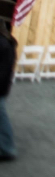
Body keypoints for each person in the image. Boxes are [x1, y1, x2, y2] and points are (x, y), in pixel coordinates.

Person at [0, 21, 17, 161]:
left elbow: (2, 71)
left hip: (0, 86)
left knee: (1, 117)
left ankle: (7, 148)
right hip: (3, 86)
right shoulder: (6, 42)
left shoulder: (3, 45)